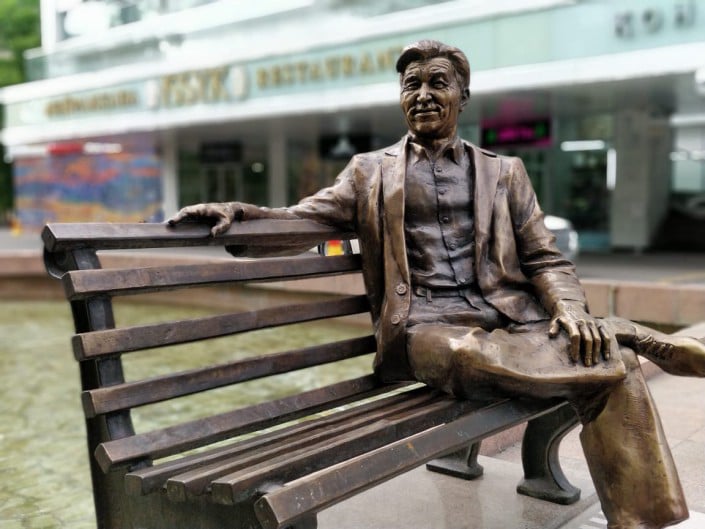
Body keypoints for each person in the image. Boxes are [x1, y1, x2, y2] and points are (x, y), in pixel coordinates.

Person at [169, 40, 705, 529]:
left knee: (612, 365)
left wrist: (571, 309)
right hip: (425, 330)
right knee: (475, 352)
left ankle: (641, 521)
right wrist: (239, 216)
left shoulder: (506, 171)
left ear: (462, 97)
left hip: (510, 323)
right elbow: (303, 220)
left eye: (437, 83)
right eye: (412, 85)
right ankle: (628, 332)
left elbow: (545, 256)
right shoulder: (369, 172)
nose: (423, 95)